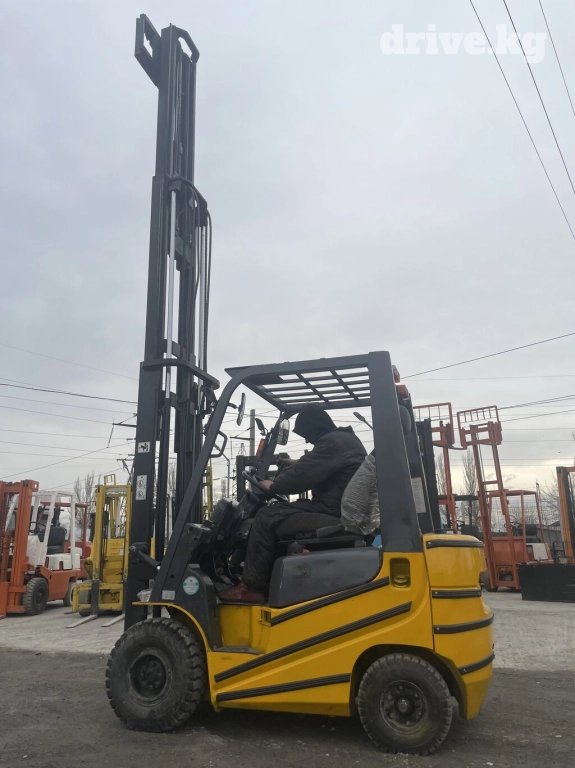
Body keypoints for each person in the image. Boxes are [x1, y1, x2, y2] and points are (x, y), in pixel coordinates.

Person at [220, 403, 367, 603]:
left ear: (316, 428)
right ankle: (270, 581)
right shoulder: (344, 440)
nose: (307, 440)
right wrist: (297, 463)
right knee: (277, 513)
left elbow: (301, 478)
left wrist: (274, 485)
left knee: (266, 516)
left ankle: (252, 587)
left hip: (333, 511)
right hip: (340, 509)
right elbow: (322, 464)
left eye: (307, 434)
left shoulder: (333, 442)